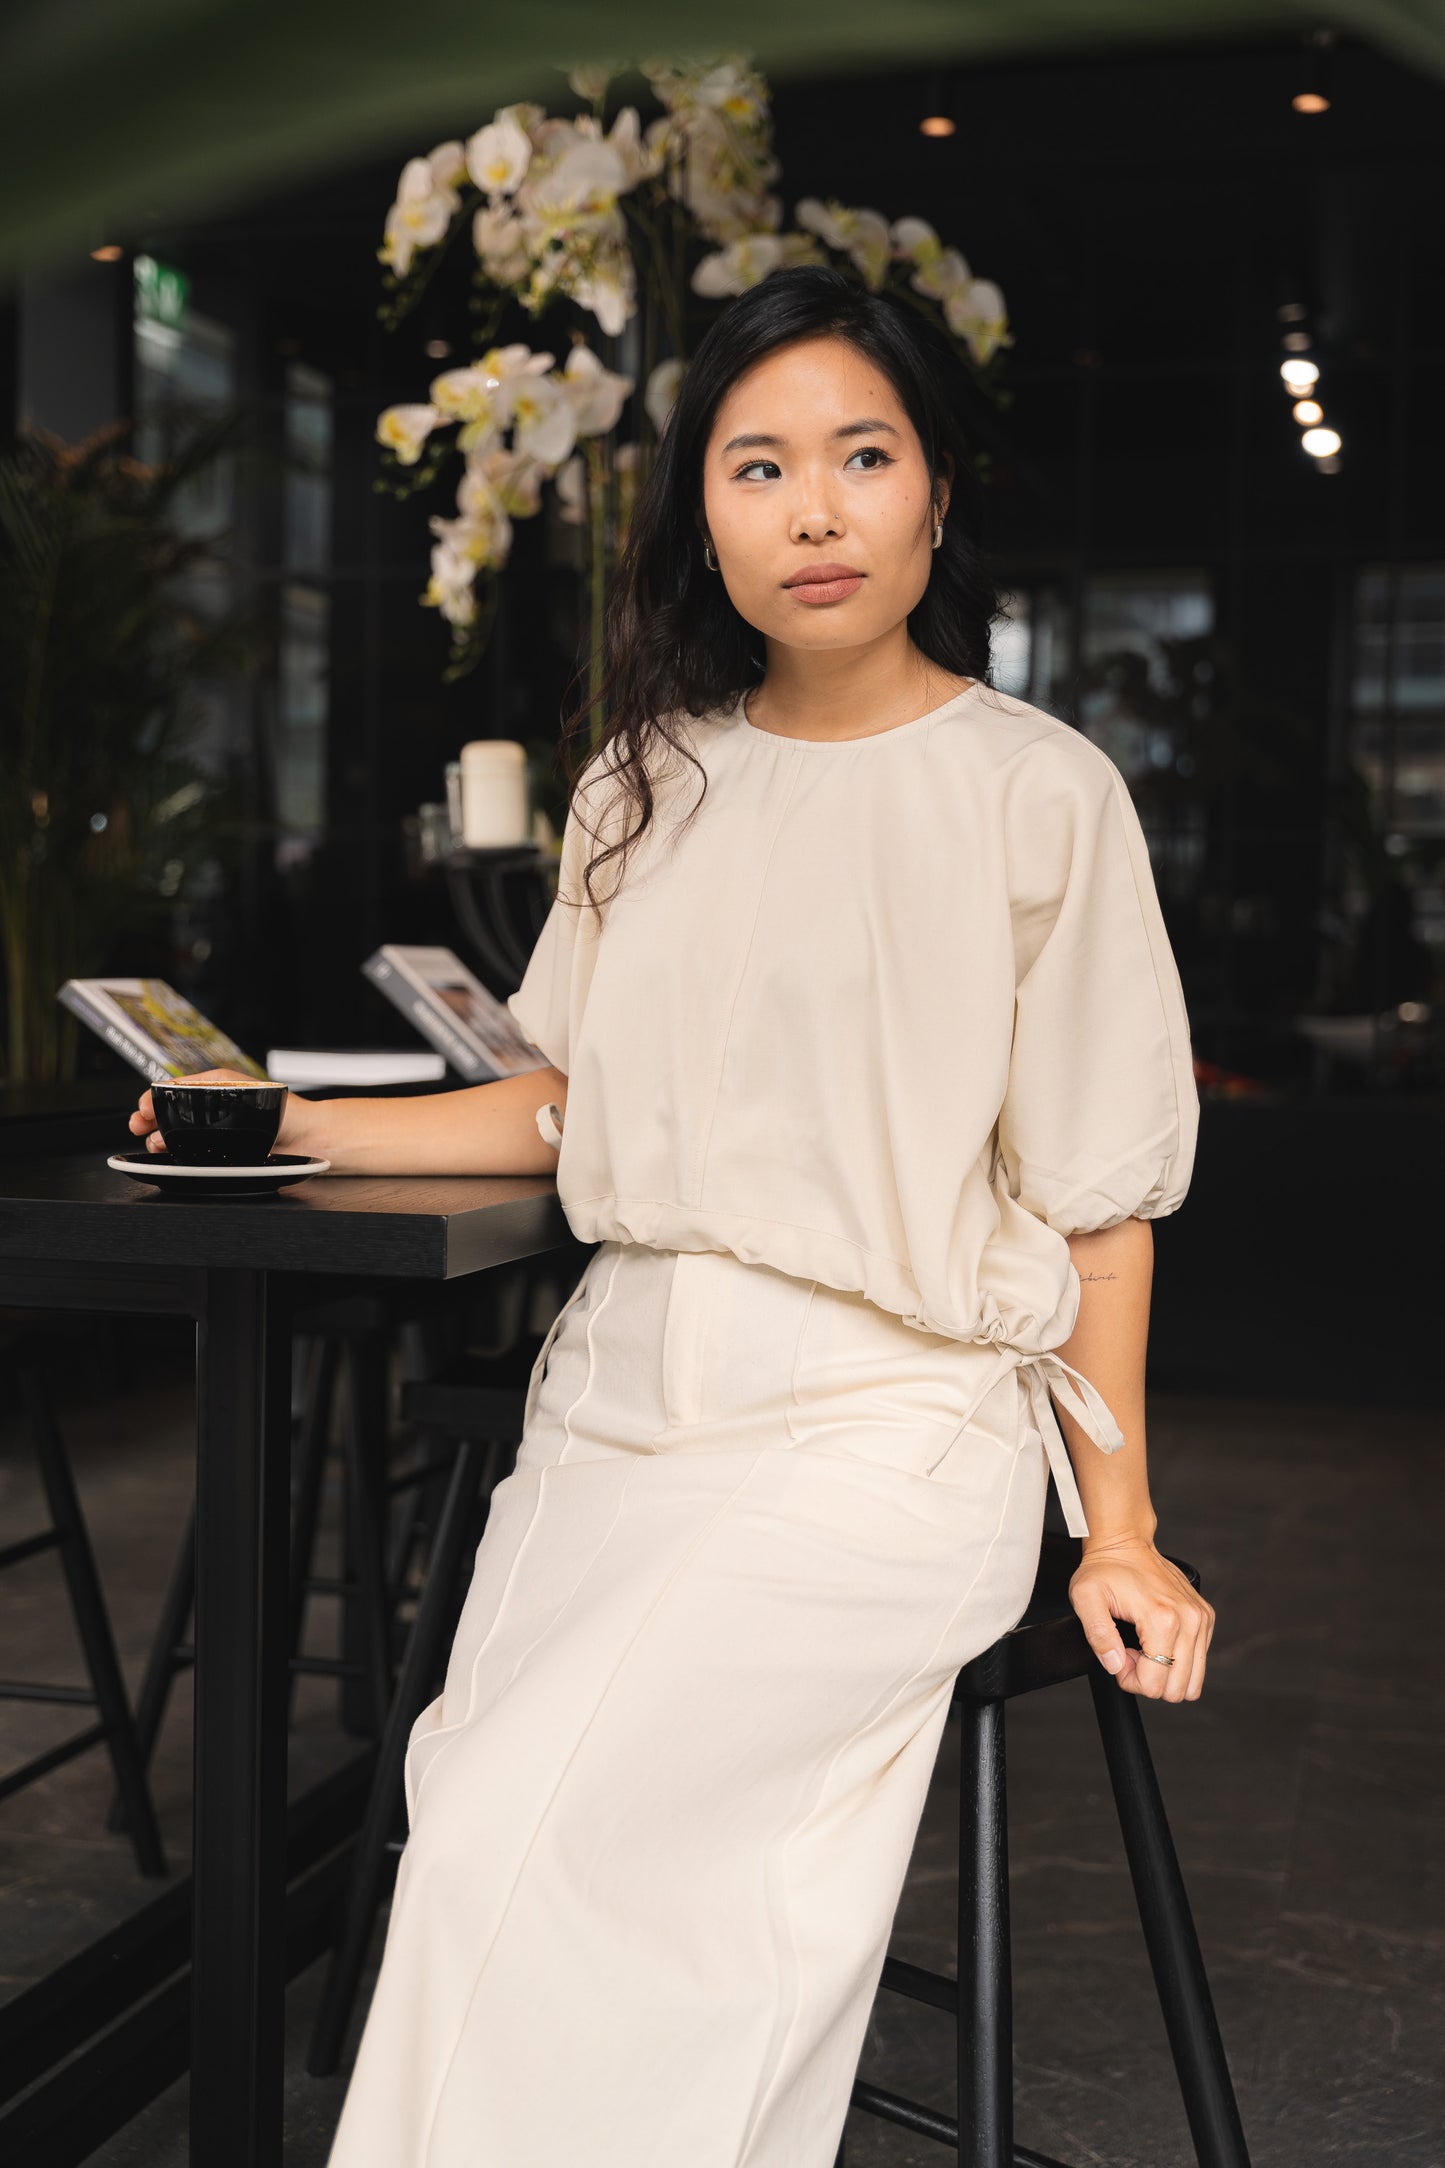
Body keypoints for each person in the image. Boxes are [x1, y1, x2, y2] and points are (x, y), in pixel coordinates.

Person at [129, 264, 1214, 2168]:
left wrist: (1118, 1530)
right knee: (480, 1834)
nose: (811, 511)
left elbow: (1096, 1205)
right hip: (620, 1410)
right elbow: (563, 1109)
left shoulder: (1041, 795)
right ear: (698, 515)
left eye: (860, 457)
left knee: (583, 1847)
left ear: (933, 496)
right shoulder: (649, 781)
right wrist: (275, 1117)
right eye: (756, 465)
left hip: (883, 1426)